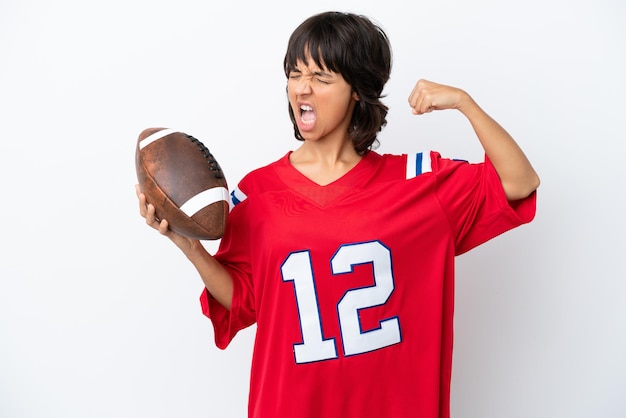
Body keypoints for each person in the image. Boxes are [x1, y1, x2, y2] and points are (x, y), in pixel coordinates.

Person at [136, 11, 539, 418]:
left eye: (322, 78)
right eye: (295, 74)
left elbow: (519, 182)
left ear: (358, 91)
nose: (302, 89)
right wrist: (187, 245)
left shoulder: (417, 181)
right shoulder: (256, 192)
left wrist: (465, 104)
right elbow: (245, 299)